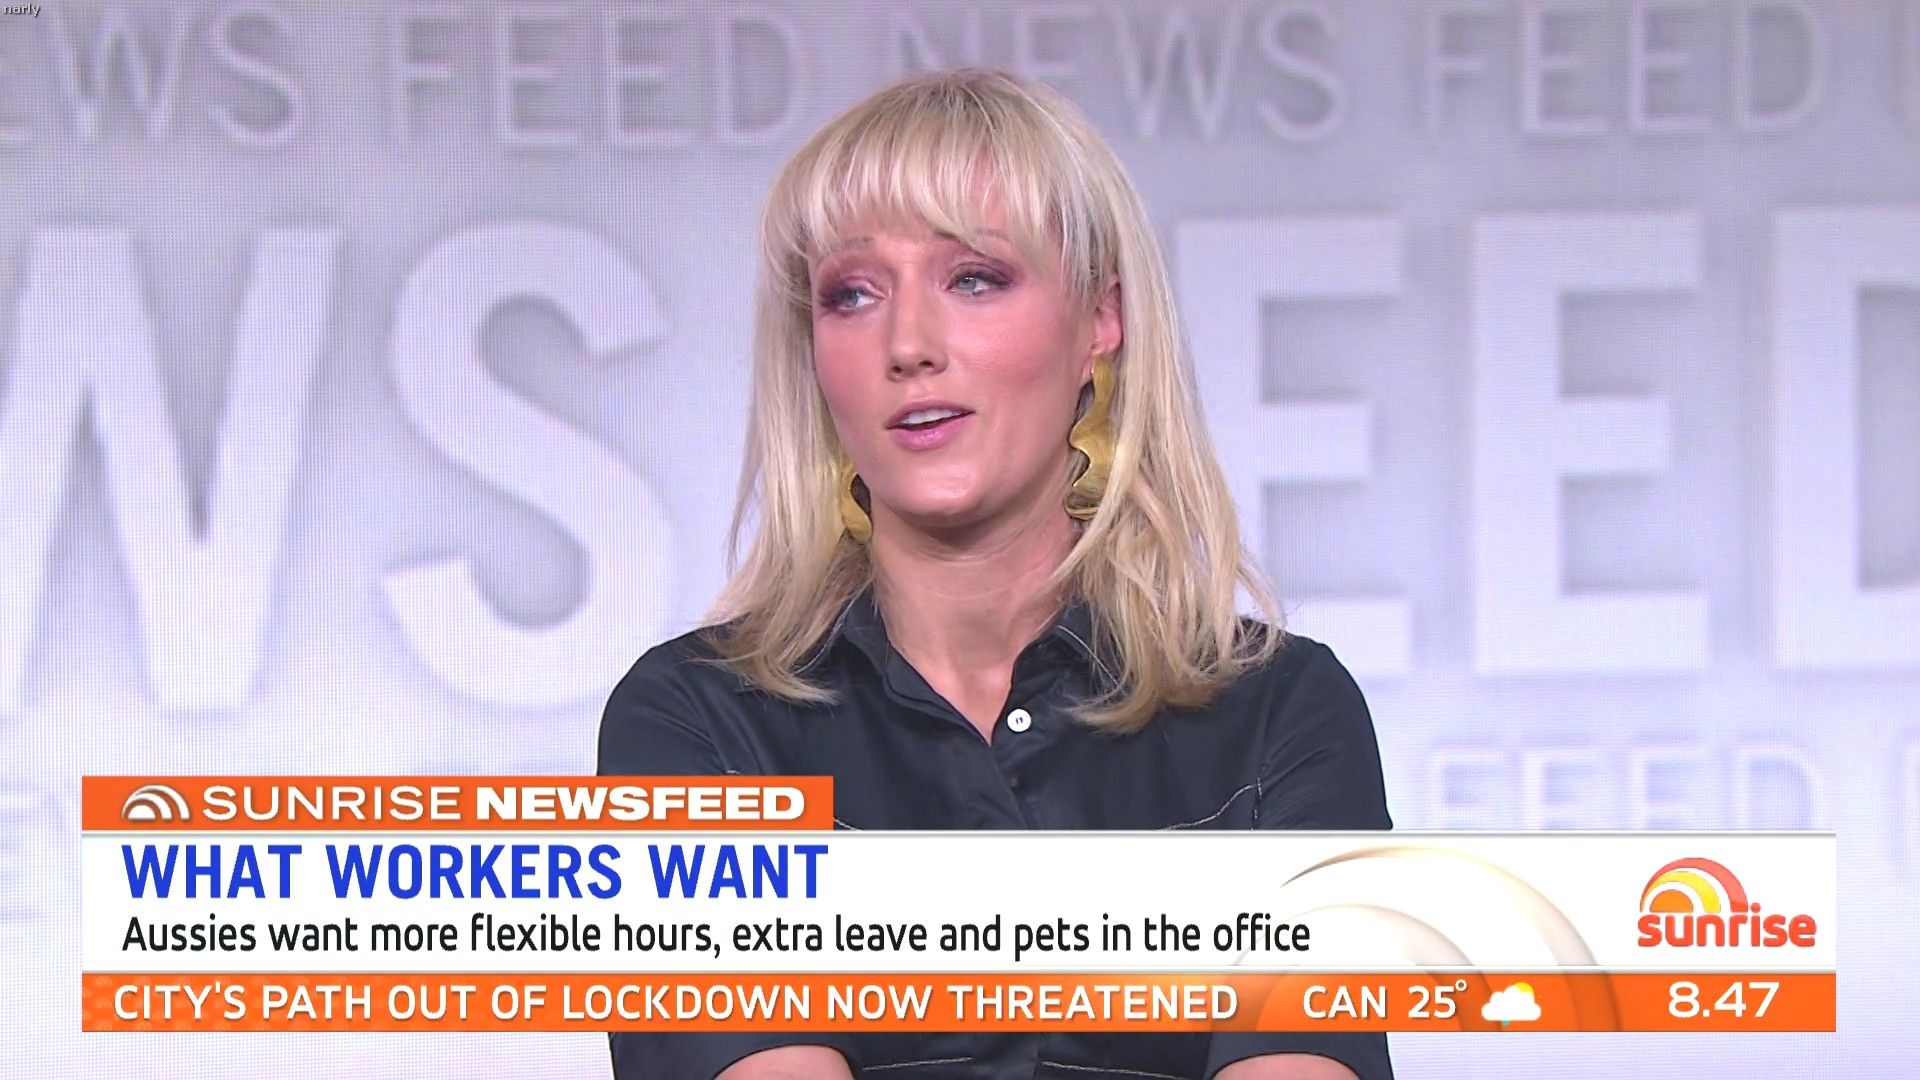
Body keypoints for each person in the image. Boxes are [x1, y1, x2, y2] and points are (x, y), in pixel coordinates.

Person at [598, 68, 1392, 1080]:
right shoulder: (698, 722)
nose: (907, 345)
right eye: (852, 293)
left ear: (1099, 320)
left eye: (973, 279)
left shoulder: (1281, 714)